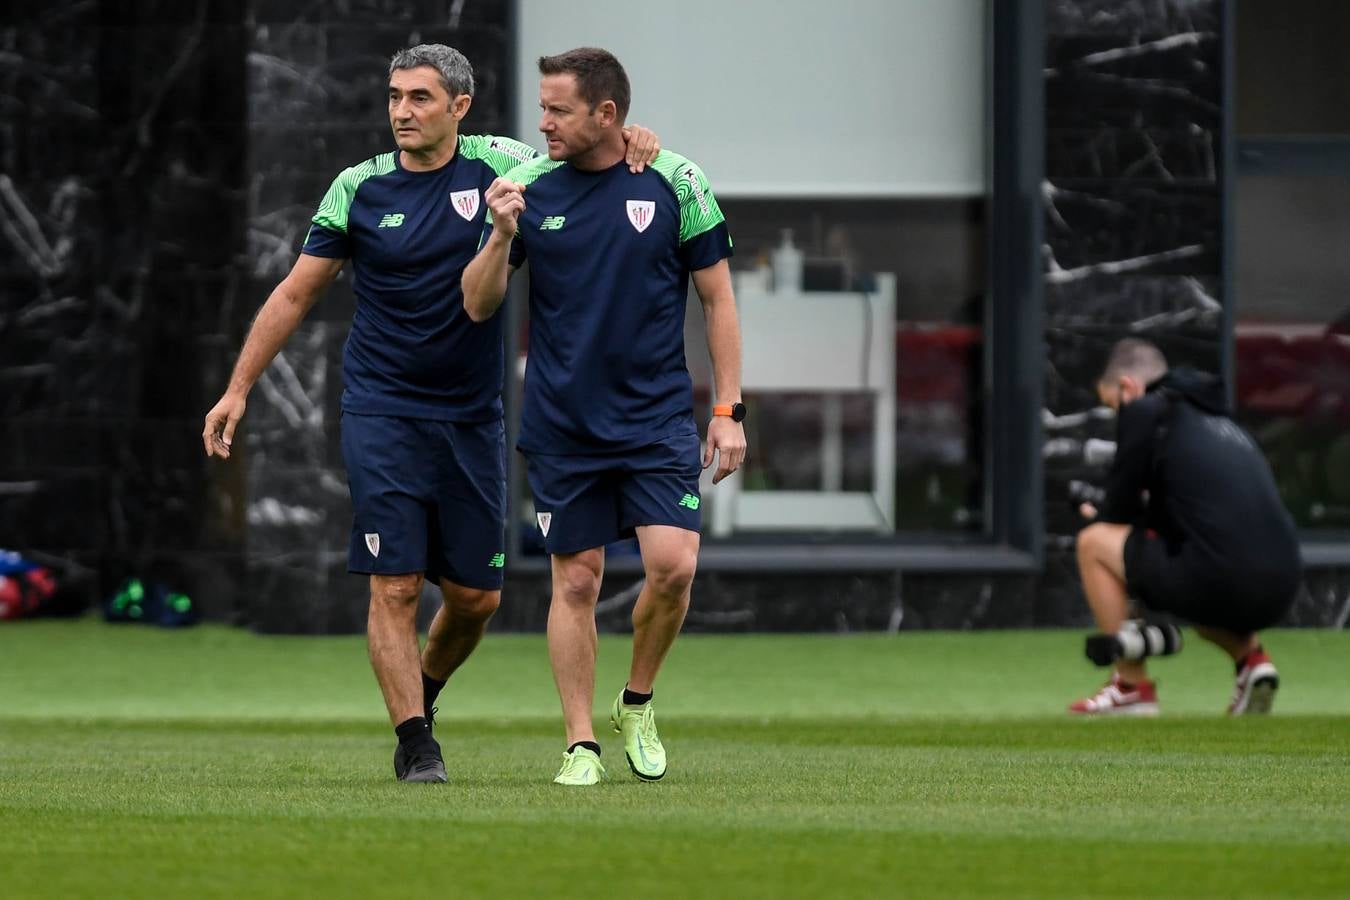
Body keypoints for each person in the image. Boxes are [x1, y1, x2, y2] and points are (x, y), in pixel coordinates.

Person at [202, 44, 659, 782]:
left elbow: (587, 154)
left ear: (459, 106)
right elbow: (294, 293)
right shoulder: (358, 186)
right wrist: (238, 389)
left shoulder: (503, 162)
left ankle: (423, 693)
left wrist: (639, 140)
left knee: (477, 598)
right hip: (382, 409)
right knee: (397, 584)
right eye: (394, 97)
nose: (401, 112)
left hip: (474, 417)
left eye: (419, 98)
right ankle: (417, 743)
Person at [462, 47, 747, 785]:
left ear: (607, 115)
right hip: (563, 424)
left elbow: (718, 300)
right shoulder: (525, 187)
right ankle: (580, 743)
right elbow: (477, 302)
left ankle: (638, 700)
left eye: (558, 110)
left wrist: (728, 410)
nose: (543, 123)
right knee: (578, 582)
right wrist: (498, 234)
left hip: (655, 419)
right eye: (543, 106)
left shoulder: (676, 181)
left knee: (673, 567)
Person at [1070, 338, 1301, 716]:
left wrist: (1094, 513)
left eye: (1113, 406)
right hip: (1284, 583)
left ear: (1128, 386)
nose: (1119, 417)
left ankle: (1130, 686)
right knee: (1199, 567)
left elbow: (1118, 512)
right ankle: (1252, 662)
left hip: (1220, 577)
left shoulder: (1145, 410)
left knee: (1094, 543)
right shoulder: (1219, 420)